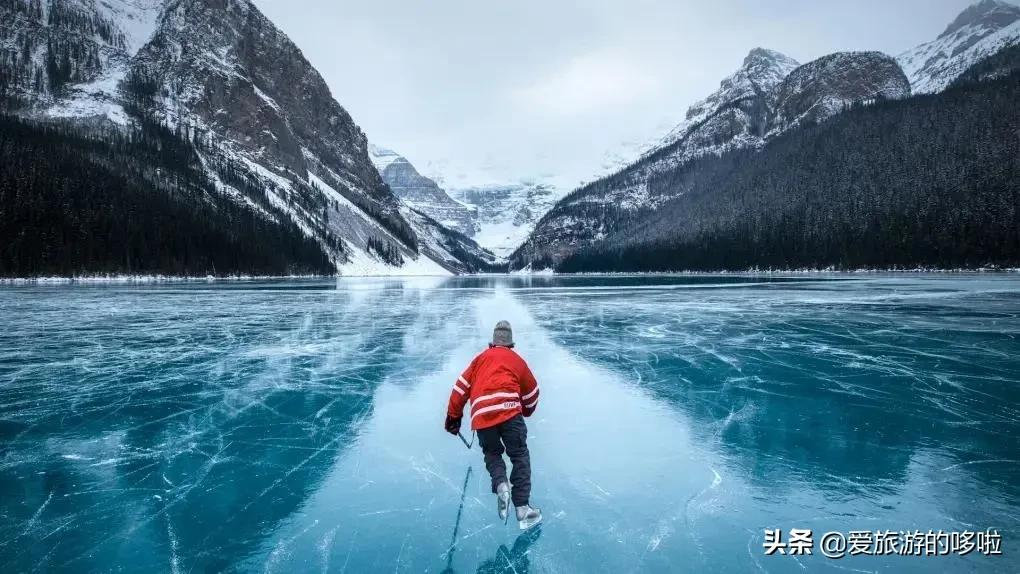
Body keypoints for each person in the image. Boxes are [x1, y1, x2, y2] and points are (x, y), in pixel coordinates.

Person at [445, 320, 542, 529]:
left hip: (482, 415)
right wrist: (525, 410)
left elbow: (460, 388)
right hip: (510, 413)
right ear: (510, 344)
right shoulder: (517, 361)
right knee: (519, 455)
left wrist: (453, 418)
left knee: (492, 453)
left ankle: (501, 485)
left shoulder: (480, 359)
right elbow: (533, 392)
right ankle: (523, 509)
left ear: (493, 343)